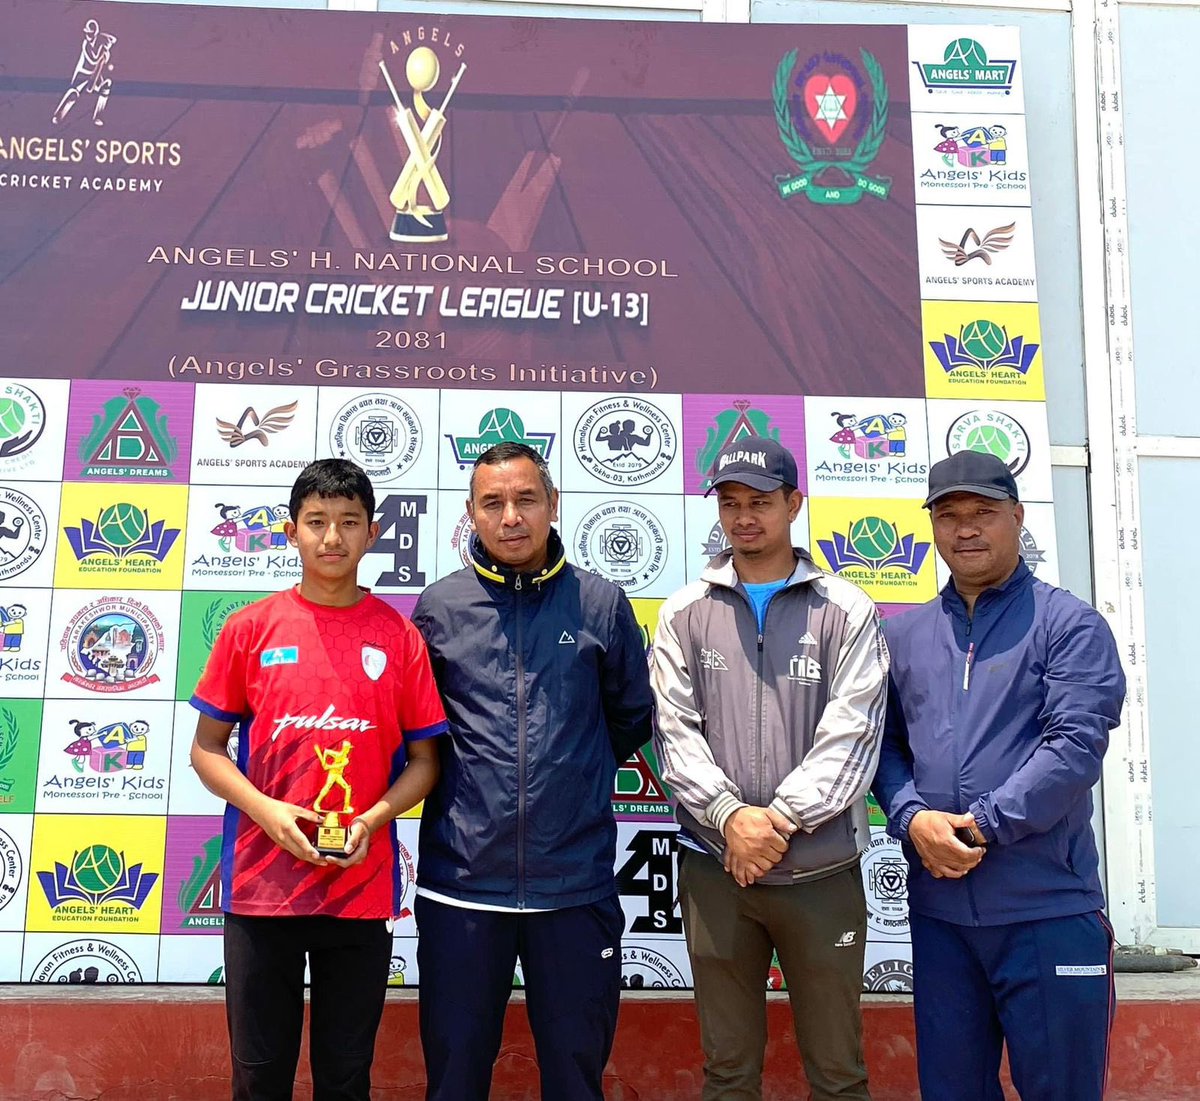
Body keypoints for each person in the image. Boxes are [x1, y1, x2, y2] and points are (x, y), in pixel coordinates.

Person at [190, 458, 446, 1101]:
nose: (332, 538)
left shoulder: (400, 637)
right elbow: (207, 752)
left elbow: (425, 762)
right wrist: (266, 810)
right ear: (290, 531)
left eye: (348, 523)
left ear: (374, 532)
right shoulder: (250, 629)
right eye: (316, 523)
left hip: (358, 889)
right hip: (261, 887)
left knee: (344, 1076)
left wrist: (369, 821)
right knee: (258, 1076)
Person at [873, 450, 1126, 1101]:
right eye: (949, 515)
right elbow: (883, 746)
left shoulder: (1068, 625)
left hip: (1046, 909)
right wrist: (910, 817)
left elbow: (1073, 748)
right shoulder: (902, 636)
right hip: (942, 919)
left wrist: (980, 823)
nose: (966, 529)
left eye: (983, 512)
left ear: (1017, 516)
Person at [411, 441, 654, 1101]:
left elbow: (631, 716)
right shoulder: (439, 608)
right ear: (471, 513)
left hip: (572, 889)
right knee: (454, 1082)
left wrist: (574, 779)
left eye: (526, 499)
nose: (511, 516)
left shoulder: (600, 603)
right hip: (462, 888)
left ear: (553, 504)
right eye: (493, 502)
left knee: (576, 1082)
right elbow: (419, 734)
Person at [652, 436, 888, 1101]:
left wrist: (774, 823)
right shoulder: (683, 613)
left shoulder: (847, 611)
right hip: (718, 868)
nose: (744, 517)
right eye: (730, 503)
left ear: (794, 503)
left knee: (839, 1076)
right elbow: (675, 735)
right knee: (728, 1075)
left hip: (820, 871)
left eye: (760, 502)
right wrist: (731, 821)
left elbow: (853, 738)